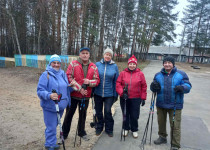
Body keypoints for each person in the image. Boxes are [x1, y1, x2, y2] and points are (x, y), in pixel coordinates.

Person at [150, 56, 192, 150]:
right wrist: (153, 86)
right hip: (161, 104)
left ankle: (175, 144)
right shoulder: (158, 75)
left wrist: (183, 88)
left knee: (175, 125)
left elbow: (188, 85)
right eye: (165, 62)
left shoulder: (181, 74)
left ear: (173, 64)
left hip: (175, 104)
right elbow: (153, 87)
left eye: (169, 62)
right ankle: (162, 137)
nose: (167, 64)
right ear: (163, 64)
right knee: (161, 123)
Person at [62, 47, 100, 141]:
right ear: (80, 54)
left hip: (86, 96)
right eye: (83, 53)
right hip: (73, 95)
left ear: (89, 55)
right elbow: (68, 77)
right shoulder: (73, 64)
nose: (85, 55)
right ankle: (64, 133)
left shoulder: (93, 66)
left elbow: (97, 80)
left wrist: (89, 82)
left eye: (87, 53)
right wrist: (79, 88)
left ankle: (81, 132)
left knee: (83, 115)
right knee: (69, 115)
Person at [37, 54, 74, 150]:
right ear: (50, 63)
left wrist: (71, 87)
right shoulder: (46, 75)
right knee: (51, 127)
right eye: (54, 63)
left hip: (61, 106)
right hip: (50, 106)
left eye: (58, 63)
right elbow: (40, 91)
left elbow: (65, 89)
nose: (56, 65)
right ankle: (50, 145)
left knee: (55, 125)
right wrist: (49, 95)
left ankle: (51, 142)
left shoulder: (62, 74)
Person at [116, 55, 147, 138]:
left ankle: (134, 129)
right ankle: (126, 128)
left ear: (136, 65)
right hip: (125, 98)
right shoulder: (123, 73)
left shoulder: (140, 74)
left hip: (136, 98)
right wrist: (122, 93)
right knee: (125, 114)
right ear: (128, 64)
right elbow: (118, 84)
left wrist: (143, 98)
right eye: (130, 64)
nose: (132, 65)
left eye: (134, 64)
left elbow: (144, 86)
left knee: (134, 115)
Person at [93, 48, 119, 137]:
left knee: (107, 111)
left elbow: (116, 81)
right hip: (98, 93)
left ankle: (109, 129)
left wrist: (116, 94)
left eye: (109, 55)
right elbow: (93, 77)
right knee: (98, 111)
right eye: (106, 54)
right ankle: (99, 127)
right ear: (103, 55)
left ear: (111, 56)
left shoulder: (114, 66)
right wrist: (92, 90)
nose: (107, 56)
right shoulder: (97, 65)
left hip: (109, 94)